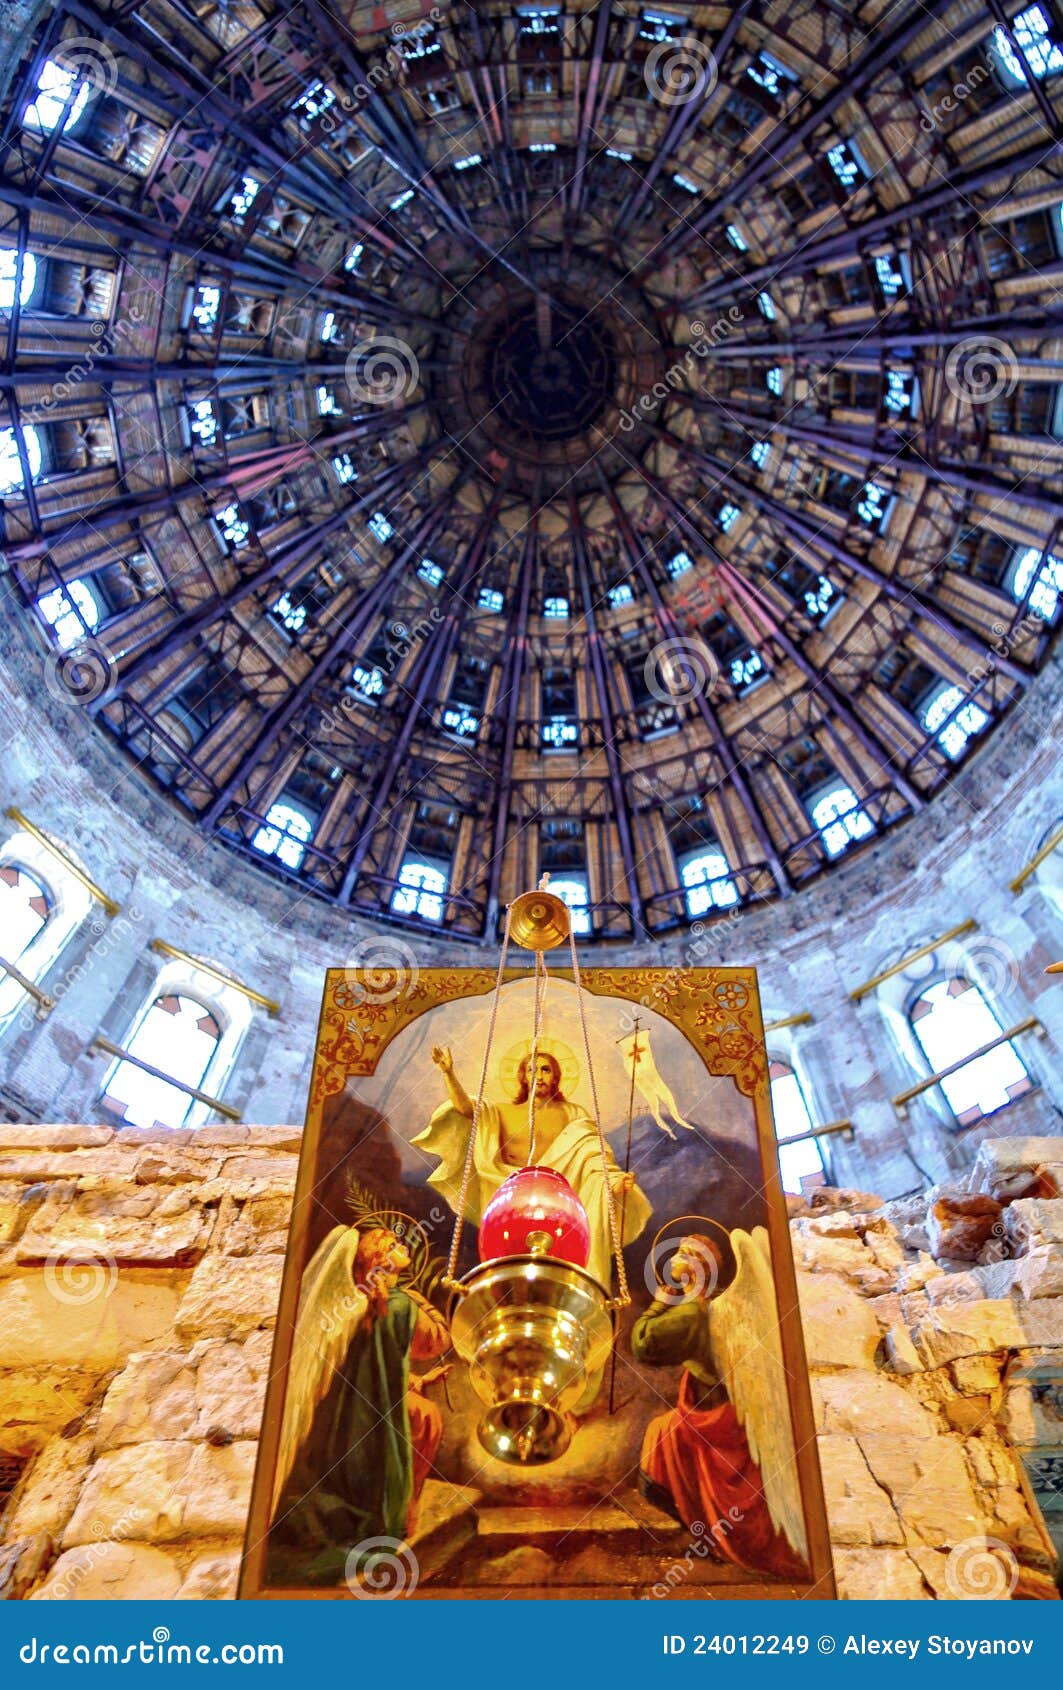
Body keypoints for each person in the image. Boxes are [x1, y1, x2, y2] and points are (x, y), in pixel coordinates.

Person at [267, 1221, 449, 1585]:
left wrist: (417, 1380)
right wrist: (421, 1299)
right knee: (426, 1417)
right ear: (381, 1260)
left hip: (358, 1414)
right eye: (394, 1242)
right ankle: (401, 1508)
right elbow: (437, 1341)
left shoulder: (369, 1304)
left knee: (422, 1412)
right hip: (374, 1415)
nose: (403, 1243)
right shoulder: (397, 1305)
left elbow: (378, 1369)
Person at [631, 1234, 808, 1581]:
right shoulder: (717, 1305)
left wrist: (662, 1299)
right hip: (707, 1415)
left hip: (716, 1423)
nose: (677, 1257)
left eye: (685, 1253)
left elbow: (643, 1343)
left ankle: (713, 1537)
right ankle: (705, 1534)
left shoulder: (694, 1313)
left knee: (661, 1442)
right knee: (664, 1438)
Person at [413, 1044, 650, 1288]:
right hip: (512, 1204)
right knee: (511, 1276)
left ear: (556, 1076)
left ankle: (579, 1293)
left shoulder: (573, 1114)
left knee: (560, 1272)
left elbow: (593, 1159)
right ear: (523, 1077)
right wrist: (449, 1074)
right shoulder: (502, 1112)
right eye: (532, 1070)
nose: (539, 1075)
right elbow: (466, 1110)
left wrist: (613, 1181)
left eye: (546, 1070)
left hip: (560, 1206)